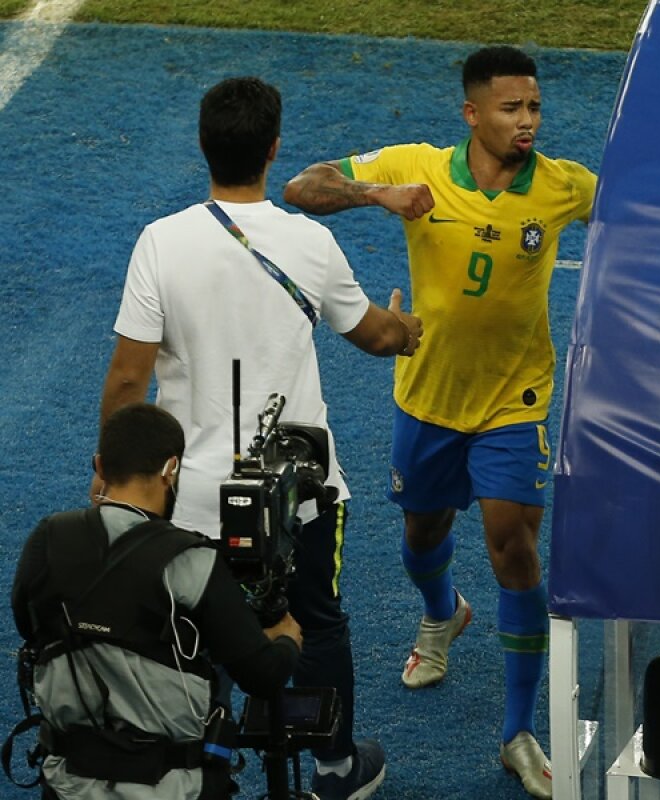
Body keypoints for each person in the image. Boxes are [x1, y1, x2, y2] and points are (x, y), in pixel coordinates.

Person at [282, 45, 597, 799]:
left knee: (513, 545)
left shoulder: (561, 187)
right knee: (422, 536)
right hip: (426, 397)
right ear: (472, 113)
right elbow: (302, 187)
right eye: (511, 108)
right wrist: (379, 195)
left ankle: (518, 731)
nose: (527, 121)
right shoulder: (414, 164)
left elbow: (642, 207)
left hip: (514, 400)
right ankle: (441, 614)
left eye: (534, 107)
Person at [95, 76, 421, 800]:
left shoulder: (160, 243)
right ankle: (334, 768)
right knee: (317, 624)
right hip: (299, 491)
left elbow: (127, 381)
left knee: (191, 633)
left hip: (190, 503)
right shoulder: (311, 241)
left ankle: (203, 765)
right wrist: (409, 330)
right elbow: (373, 334)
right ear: (273, 150)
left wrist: (111, 479)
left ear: (205, 147)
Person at [12, 403, 303, 799]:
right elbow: (263, 676)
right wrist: (286, 639)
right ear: (171, 469)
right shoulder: (193, 561)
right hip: (172, 786)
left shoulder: (47, 539)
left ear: (100, 466)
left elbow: (31, 627)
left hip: (67, 783)